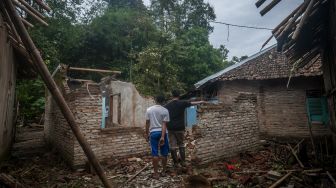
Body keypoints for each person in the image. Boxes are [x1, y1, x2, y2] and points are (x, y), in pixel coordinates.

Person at [164, 90, 204, 167]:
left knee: (172, 146)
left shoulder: (167, 105)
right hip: (180, 127)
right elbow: (192, 103)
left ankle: (176, 163)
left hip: (171, 128)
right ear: (179, 96)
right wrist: (201, 101)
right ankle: (183, 162)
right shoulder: (182, 103)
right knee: (181, 144)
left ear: (172, 95)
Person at [145, 95, 170, 179]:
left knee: (155, 153)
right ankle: (163, 171)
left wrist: (146, 133)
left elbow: (147, 123)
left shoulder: (149, 110)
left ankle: (156, 173)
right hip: (163, 133)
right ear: (163, 101)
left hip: (153, 133)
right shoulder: (165, 110)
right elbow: (164, 124)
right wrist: (162, 136)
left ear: (155, 100)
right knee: (164, 153)